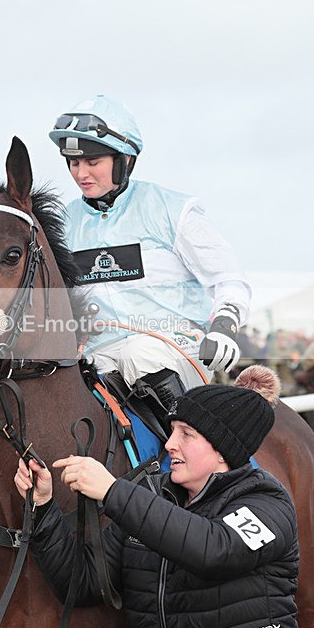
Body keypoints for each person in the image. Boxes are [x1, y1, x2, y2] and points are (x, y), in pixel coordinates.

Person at [14, 365, 303, 628]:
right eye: (172, 430)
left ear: (223, 449)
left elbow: (213, 549)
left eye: (186, 434)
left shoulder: (267, 503)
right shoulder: (151, 496)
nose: (169, 444)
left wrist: (114, 491)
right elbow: (84, 583)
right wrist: (43, 509)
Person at [49, 94, 251, 411]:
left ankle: (187, 435)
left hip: (175, 347)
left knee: (139, 355)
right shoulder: (63, 223)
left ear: (125, 160)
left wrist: (225, 326)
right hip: (102, 354)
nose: (81, 174)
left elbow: (228, 278)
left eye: (92, 162)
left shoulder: (173, 210)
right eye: (74, 163)